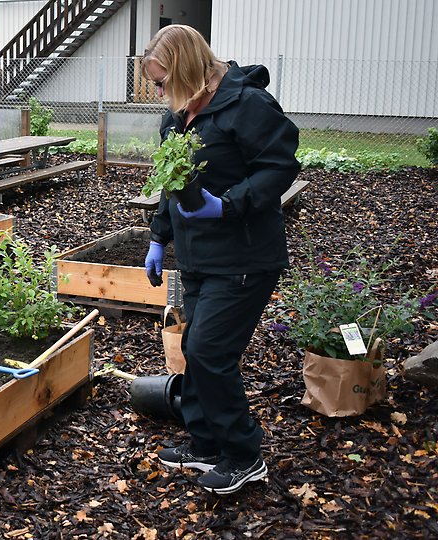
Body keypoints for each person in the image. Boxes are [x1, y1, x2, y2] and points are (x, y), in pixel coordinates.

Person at [140, 25, 300, 494]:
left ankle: (244, 454)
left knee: (210, 351)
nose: (160, 91)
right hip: (198, 257)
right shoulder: (177, 118)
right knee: (194, 350)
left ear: (188, 68)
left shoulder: (246, 105)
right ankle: (205, 442)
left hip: (245, 257)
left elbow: (280, 167)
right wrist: (158, 237)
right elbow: (173, 183)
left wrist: (227, 204)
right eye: (156, 83)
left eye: (163, 79)